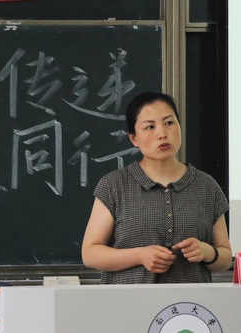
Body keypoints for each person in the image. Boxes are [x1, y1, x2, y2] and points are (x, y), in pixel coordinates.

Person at [81, 91, 232, 283]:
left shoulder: (206, 185)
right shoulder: (114, 185)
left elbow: (225, 258)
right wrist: (139, 256)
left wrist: (208, 252)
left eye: (169, 123)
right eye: (150, 127)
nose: (162, 134)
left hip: (188, 301)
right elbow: (90, 253)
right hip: (129, 300)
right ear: (134, 138)